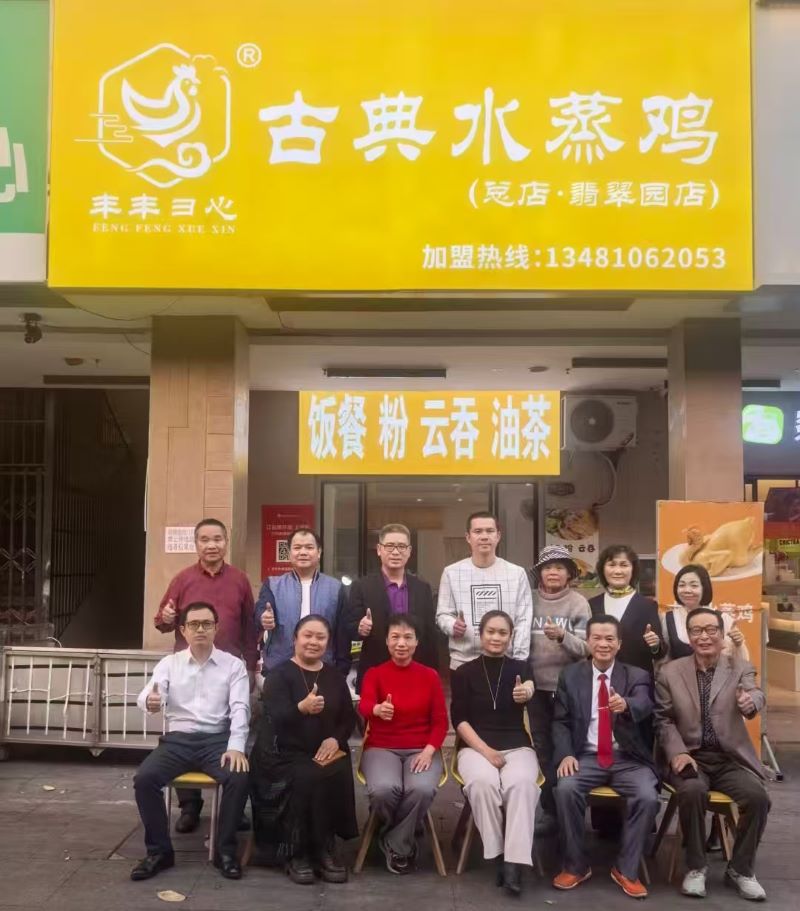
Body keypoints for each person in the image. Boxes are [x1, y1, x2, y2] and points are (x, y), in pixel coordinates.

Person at [655, 606, 770, 901]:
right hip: (691, 756)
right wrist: (677, 752)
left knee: (758, 798)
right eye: (696, 631)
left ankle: (741, 870)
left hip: (728, 758)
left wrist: (750, 702)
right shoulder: (670, 671)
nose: (704, 636)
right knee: (692, 790)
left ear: (721, 634)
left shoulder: (739, 667)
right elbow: (663, 719)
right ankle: (696, 867)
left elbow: (755, 693)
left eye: (710, 630)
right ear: (688, 636)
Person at [154, 517, 260, 833]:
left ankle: (233, 805)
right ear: (196, 543)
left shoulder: (240, 580)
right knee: (186, 731)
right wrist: (167, 617)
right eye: (204, 539)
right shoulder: (182, 579)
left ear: (226, 542)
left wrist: (251, 665)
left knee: (233, 731)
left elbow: (250, 627)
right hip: (189, 672)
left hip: (229, 672)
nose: (211, 545)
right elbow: (162, 621)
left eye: (217, 539)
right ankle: (190, 806)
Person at [131, 602, 251, 882]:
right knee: (145, 779)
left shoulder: (233, 665)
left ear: (216, 628)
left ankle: (225, 851)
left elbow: (240, 708)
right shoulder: (169, 664)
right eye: (194, 624)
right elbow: (150, 694)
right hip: (177, 741)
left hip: (216, 740)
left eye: (207, 624)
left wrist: (236, 746)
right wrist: (150, 701)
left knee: (239, 776)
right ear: (183, 630)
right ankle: (159, 852)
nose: (200, 630)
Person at [551, 615, 659, 900]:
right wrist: (565, 754)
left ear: (619, 644)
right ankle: (575, 866)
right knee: (566, 788)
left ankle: (626, 868)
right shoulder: (570, 675)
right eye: (597, 638)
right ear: (587, 641)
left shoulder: (636, 675)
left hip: (628, 758)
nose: (603, 644)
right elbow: (560, 721)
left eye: (610, 638)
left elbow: (645, 702)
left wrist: (626, 704)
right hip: (586, 756)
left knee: (647, 796)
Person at [249, 615, 358, 884]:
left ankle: (324, 849)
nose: (313, 642)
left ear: (328, 643)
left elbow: (347, 718)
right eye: (307, 635)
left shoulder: (334, 676)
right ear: (295, 639)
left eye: (320, 637)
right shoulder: (278, 675)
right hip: (281, 753)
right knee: (307, 776)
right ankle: (296, 852)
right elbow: (275, 718)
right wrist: (302, 708)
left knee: (336, 769)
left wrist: (335, 739)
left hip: (323, 751)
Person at [450, 610, 539, 897]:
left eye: (503, 633)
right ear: (481, 634)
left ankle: (514, 864)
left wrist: (527, 692)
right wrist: (486, 751)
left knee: (522, 785)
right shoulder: (463, 672)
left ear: (511, 637)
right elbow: (459, 720)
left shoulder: (522, 668)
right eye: (491, 631)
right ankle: (500, 852)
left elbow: (530, 688)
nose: (496, 637)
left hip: (517, 746)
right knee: (482, 784)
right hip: (476, 747)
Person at [358, 615, 448, 874]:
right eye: (395, 637)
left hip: (421, 747)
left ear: (417, 642)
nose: (401, 643)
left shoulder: (430, 676)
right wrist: (377, 709)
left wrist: (429, 751)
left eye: (408, 637)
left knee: (421, 789)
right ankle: (404, 835)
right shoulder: (375, 674)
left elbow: (441, 722)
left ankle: (393, 841)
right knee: (384, 790)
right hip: (381, 746)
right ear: (387, 641)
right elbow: (364, 705)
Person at [528, 544, 591, 828]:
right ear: (540, 573)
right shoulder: (528, 599)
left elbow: (587, 648)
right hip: (535, 688)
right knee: (541, 747)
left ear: (569, 574)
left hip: (568, 689)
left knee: (566, 746)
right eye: (548, 568)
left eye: (559, 568)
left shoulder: (578, 603)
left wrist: (563, 636)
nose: (553, 572)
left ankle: (569, 809)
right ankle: (550, 810)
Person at [343, 522, 439, 693]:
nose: (395, 552)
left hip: (415, 672)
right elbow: (348, 627)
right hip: (376, 670)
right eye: (389, 546)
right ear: (379, 549)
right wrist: (360, 628)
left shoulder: (422, 588)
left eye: (401, 546)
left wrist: (433, 674)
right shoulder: (362, 587)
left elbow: (430, 635)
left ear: (409, 551)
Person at [436, 511, 532, 671]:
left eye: (490, 531)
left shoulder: (516, 574)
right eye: (478, 531)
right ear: (468, 537)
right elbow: (442, 614)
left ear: (498, 536)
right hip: (463, 662)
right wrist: (452, 625)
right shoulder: (451, 573)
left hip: (506, 662)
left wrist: (520, 661)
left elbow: (523, 620)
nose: (484, 536)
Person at [255, 528, 349, 674]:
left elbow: (342, 633)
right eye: (297, 548)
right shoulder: (273, 585)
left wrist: (342, 669)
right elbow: (260, 612)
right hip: (280, 667)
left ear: (319, 552)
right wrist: (263, 618)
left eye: (309, 547)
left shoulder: (335, 588)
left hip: (323, 668)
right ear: (289, 553)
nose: (303, 552)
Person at [589, 545, 665, 676]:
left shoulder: (647, 606)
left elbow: (659, 652)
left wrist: (655, 645)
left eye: (624, 565)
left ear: (633, 570)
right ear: (602, 569)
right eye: (612, 565)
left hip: (636, 680)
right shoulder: (592, 604)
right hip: (598, 678)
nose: (618, 571)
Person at [662, 564, 749, 661]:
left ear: (704, 588)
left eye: (694, 585)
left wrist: (738, 644)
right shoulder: (668, 619)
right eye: (682, 585)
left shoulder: (722, 618)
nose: (687, 590)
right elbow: (665, 659)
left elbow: (739, 661)